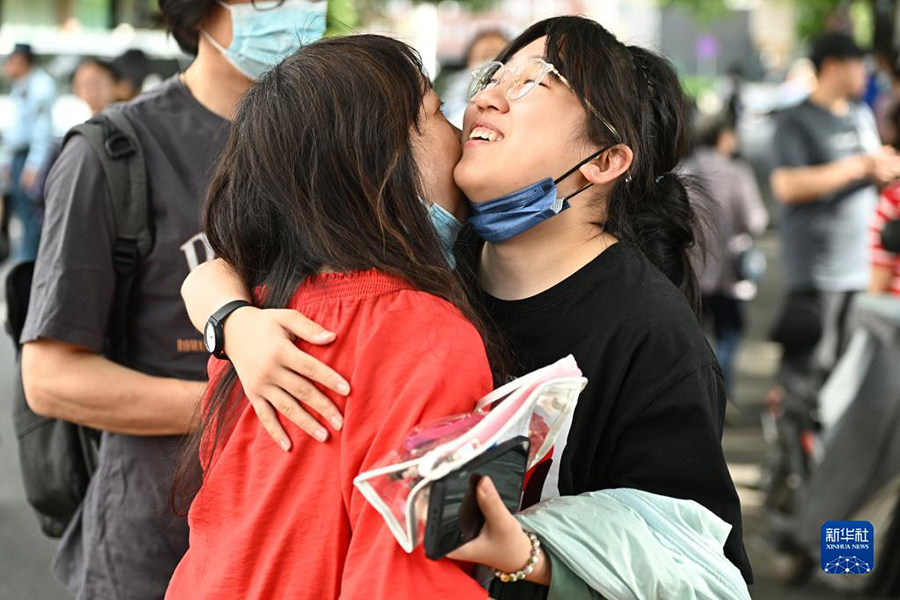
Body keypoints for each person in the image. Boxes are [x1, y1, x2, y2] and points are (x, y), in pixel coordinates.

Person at [182, 15, 753, 595]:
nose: (486, 99)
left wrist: (532, 557)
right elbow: (228, 270)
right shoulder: (431, 265)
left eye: (534, 81)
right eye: (493, 76)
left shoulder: (651, 335)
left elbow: (697, 567)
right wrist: (231, 322)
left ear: (603, 162)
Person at [166, 34, 503, 600]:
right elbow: (403, 581)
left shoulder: (254, 317)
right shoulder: (428, 334)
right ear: (382, 167)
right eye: (436, 112)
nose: (460, 132)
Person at [19, 1, 328, 597]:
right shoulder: (114, 151)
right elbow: (51, 378)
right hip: (154, 546)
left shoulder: (329, 148)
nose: (298, 9)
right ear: (198, 11)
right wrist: (245, 402)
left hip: (294, 548)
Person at [770, 32, 900, 376]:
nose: (865, 73)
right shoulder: (794, 120)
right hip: (817, 274)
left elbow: (873, 171)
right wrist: (861, 166)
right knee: (811, 372)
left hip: (865, 271)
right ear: (832, 67)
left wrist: (883, 169)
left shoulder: (860, 115)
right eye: (858, 64)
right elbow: (787, 185)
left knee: (850, 377)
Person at [682, 115, 768, 396]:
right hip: (728, 272)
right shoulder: (737, 172)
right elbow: (756, 221)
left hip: (691, 269)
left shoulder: (684, 169)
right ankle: (721, 395)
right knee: (728, 334)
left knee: (691, 337)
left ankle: (693, 393)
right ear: (723, 137)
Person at [1, 43, 56, 261]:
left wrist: (34, 165)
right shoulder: (21, 85)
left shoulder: (40, 85)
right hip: (18, 155)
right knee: (22, 214)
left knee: (31, 215)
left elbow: (42, 130)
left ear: (22, 60)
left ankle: (30, 263)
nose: (7, 66)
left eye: (11, 60)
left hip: (30, 156)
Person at [443, 29, 510, 128]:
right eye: (485, 56)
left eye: (501, 57)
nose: (493, 63)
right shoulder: (453, 114)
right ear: (469, 65)